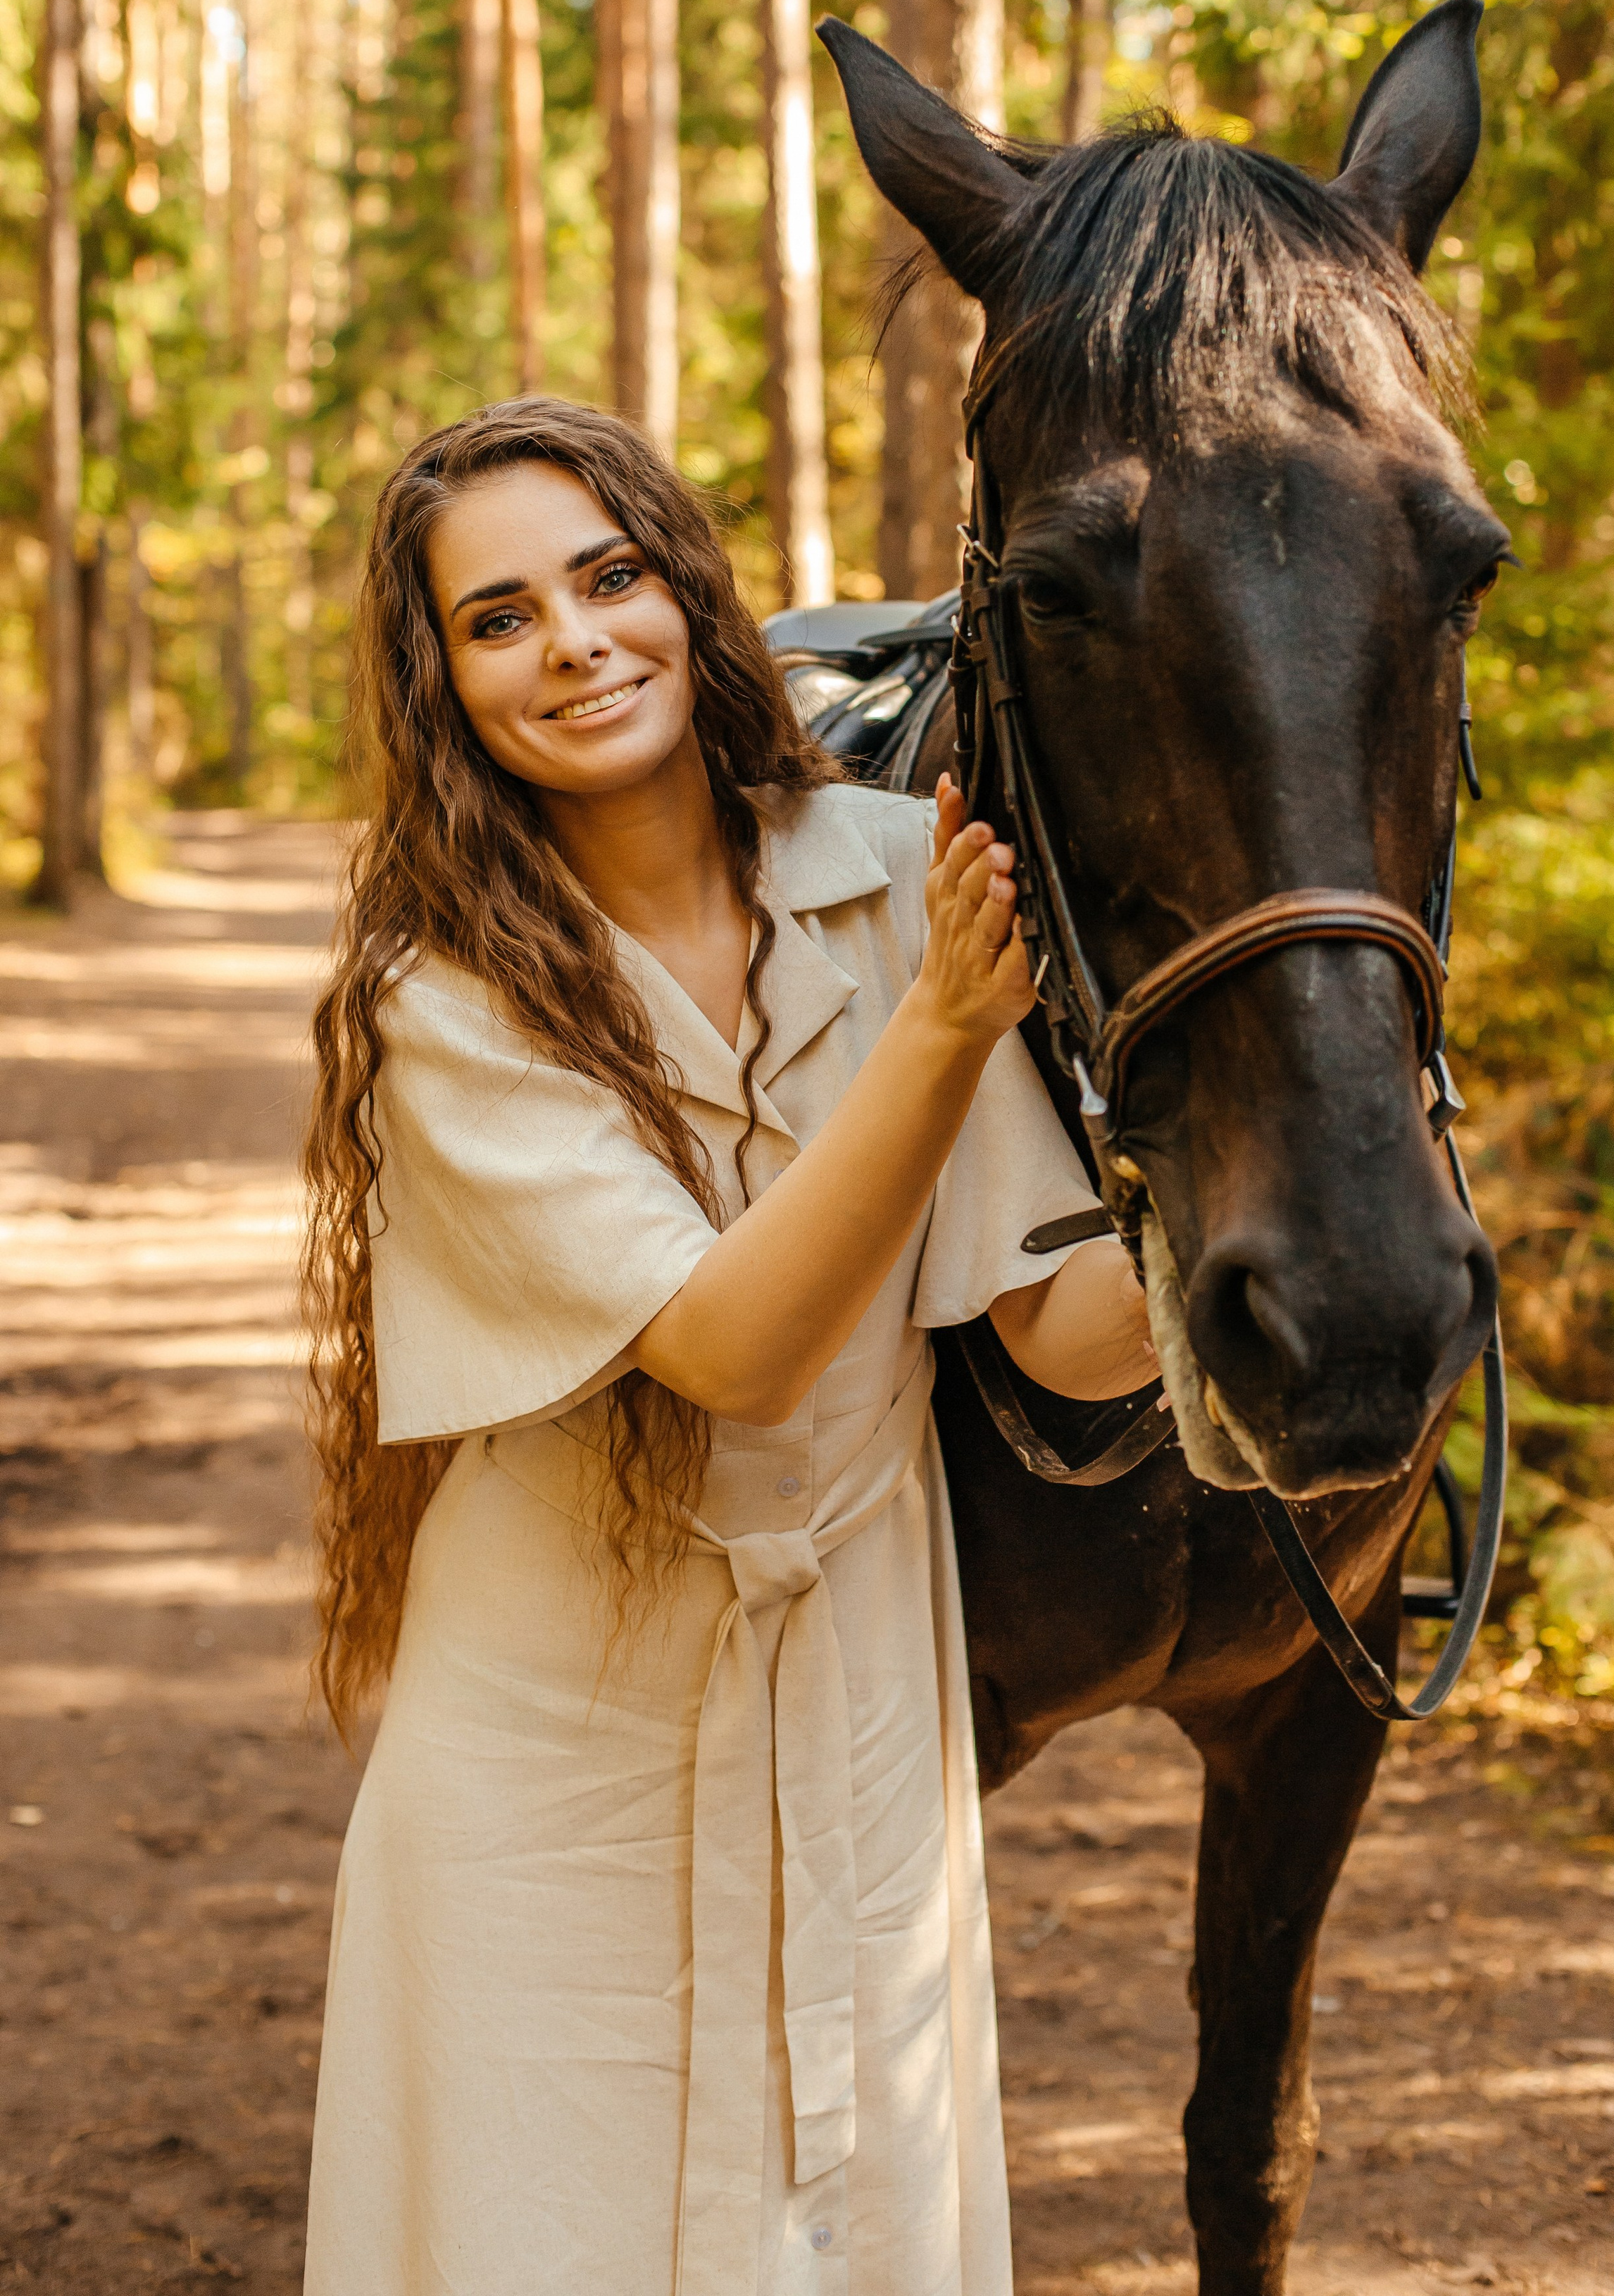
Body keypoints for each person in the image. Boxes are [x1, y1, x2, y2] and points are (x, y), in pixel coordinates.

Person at [301, 397, 1158, 2296]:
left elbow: (1060, 1322)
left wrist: (1258, 1205)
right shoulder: (437, 995)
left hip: (852, 1697)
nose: (579, 641)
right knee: (550, 2238)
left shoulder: (887, 863)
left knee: (847, 2237)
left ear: (687, 595)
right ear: (444, 683)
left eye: (611, 576)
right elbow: (733, 1347)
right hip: (553, 1754)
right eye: (500, 618)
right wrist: (940, 1027)